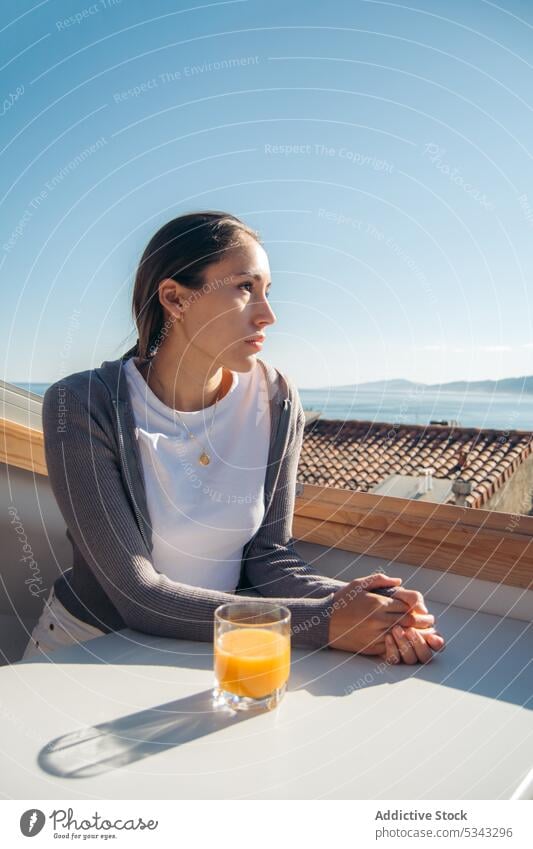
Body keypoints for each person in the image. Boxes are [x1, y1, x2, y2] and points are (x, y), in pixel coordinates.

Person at [22, 211, 445, 664]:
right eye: (245, 288)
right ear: (175, 299)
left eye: (266, 291)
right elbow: (137, 595)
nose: (268, 314)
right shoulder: (83, 405)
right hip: (86, 650)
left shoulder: (276, 398)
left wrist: (367, 605)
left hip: (210, 650)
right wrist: (324, 621)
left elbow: (269, 555)